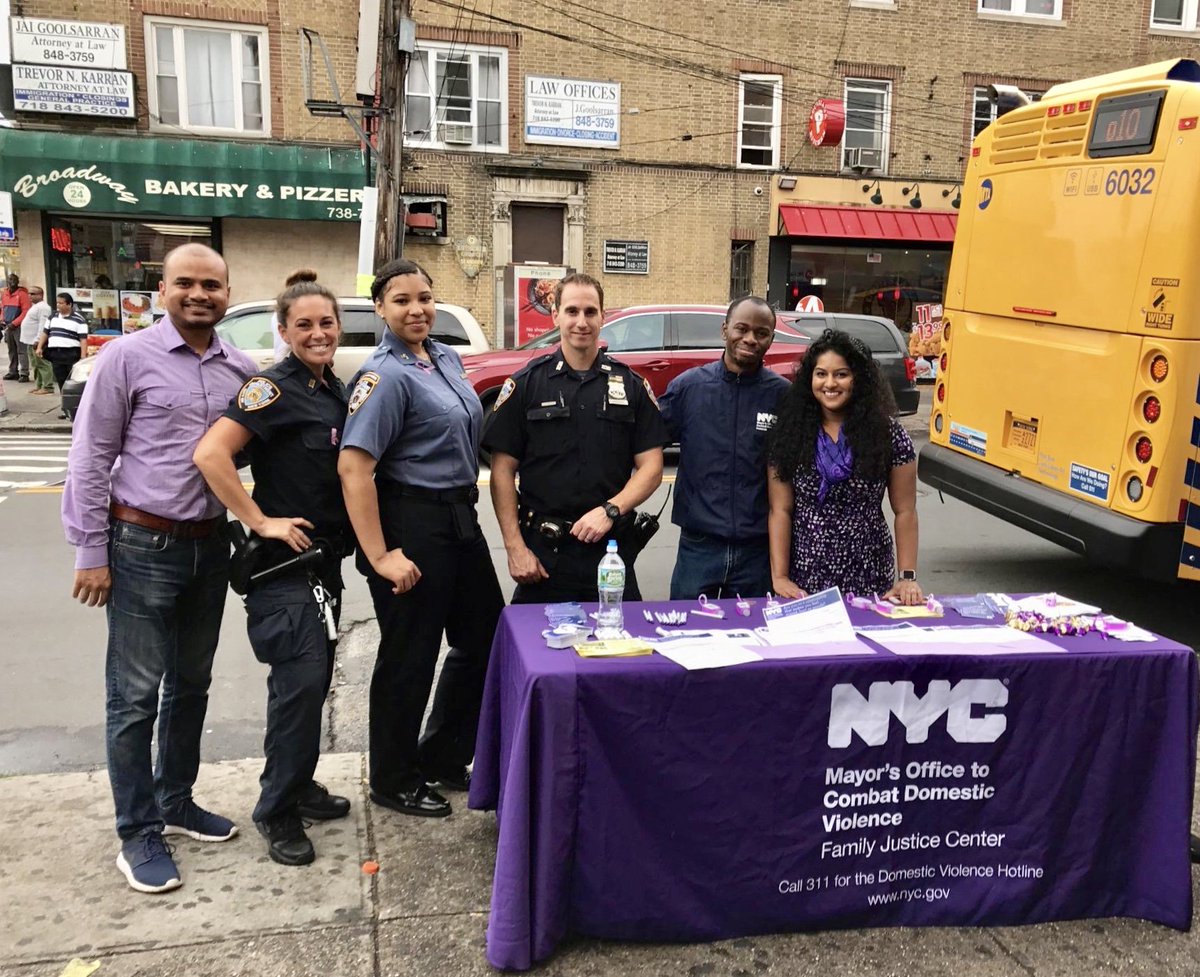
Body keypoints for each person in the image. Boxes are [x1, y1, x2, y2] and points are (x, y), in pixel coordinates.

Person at [61, 243, 256, 894]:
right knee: (135, 696)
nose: (200, 294)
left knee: (191, 685)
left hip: (209, 546)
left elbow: (246, 452)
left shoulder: (240, 368)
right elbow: (91, 455)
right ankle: (138, 831)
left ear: (227, 293)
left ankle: (176, 800)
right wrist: (91, 550)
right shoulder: (126, 358)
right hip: (141, 544)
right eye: (186, 283)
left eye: (212, 285)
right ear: (163, 290)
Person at [194, 271, 353, 866]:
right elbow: (211, 454)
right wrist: (260, 520)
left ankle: (300, 784)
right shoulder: (272, 389)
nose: (317, 333)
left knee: (313, 684)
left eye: (326, 323)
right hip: (284, 570)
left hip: (323, 565)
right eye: (303, 325)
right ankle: (277, 809)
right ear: (283, 332)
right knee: (299, 687)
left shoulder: (330, 388)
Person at [338, 258, 503, 819]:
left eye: (425, 298)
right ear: (380, 308)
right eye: (402, 300)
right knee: (410, 655)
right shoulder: (382, 376)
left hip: (459, 517)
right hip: (411, 521)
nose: (417, 310)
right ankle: (392, 777)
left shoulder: (445, 358)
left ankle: (442, 755)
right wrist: (380, 555)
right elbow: (354, 469)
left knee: (483, 639)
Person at [485, 273, 668, 603]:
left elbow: (652, 467)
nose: (581, 322)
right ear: (555, 315)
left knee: (620, 636)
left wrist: (610, 510)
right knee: (533, 638)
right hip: (543, 555)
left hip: (610, 552)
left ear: (603, 316)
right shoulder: (527, 384)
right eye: (572, 311)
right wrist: (514, 549)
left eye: (590, 312)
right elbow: (501, 471)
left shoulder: (630, 385)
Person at [766, 328, 923, 605]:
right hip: (806, 576)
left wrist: (907, 576)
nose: (830, 383)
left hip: (870, 572)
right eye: (821, 374)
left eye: (841, 374)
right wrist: (779, 577)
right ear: (810, 378)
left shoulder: (888, 434)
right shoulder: (790, 432)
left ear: (857, 378)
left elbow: (905, 510)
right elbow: (780, 510)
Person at [659, 295, 791, 600]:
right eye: (741, 329)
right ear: (724, 330)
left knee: (754, 628)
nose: (750, 339)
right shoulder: (688, 388)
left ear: (771, 339)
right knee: (688, 627)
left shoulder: (783, 397)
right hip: (698, 546)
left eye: (761, 333)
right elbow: (646, 446)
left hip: (758, 550)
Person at [34, 292, 88, 417]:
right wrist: (40, 347)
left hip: (71, 353)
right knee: (61, 382)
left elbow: (83, 339)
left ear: (69, 304)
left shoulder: (79, 319)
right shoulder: (52, 317)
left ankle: (80, 408)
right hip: (56, 353)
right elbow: (45, 333)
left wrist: (83, 357)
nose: (58, 305)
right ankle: (66, 409)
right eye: (57, 303)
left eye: (61, 303)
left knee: (74, 382)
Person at [20, 286, 54, 394]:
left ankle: (48, 386)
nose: (29, 295)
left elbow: (43, 325)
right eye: (29, 293)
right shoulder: (35, 306)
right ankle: (39, 385)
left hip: (36, 341)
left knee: (42, 364)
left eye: (33, 294)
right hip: (29, 341)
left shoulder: (43, 307)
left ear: (40, 295)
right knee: (36, 365)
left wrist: (38, 340)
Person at [2, 273, 31, 381]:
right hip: (8, 326)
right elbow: (3, 308)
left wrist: (15, 323)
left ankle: (24, 373)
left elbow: (26, 311)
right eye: (10, 279)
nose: (12, 282)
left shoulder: (22, 294)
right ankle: (13, 371)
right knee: (11, 350)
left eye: (14, 280)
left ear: (18, 282)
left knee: (21, 350)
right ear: (7, 281)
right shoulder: (4, 294)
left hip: (19, 326)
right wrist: (2, 320)